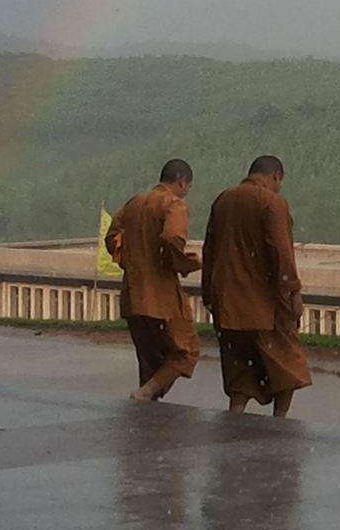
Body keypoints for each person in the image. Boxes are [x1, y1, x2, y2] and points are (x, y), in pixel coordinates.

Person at [199, 154, 310, 417]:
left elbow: (209, 250)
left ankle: (235, 414)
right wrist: (293, 291)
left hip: (228, 302)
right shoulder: (272, 202)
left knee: (239, 367)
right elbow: (282, 252)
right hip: (264, 304)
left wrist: (209, 295)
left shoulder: (224, 200)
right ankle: (279, 420)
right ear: (275, 176)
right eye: (279, 182)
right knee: (287, 365)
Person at [106, 158, 197, 401]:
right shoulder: (174, 205)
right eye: (188, 187)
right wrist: (185, 263)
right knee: (186, 350)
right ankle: (145, 393)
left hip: (133, 293)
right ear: (182, 181)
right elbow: (172, 238)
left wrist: (132, 260)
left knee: (148, 357)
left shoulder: (135, 203)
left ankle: (148, 412)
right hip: (162, 295)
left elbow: (112, 238)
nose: (187, 191)